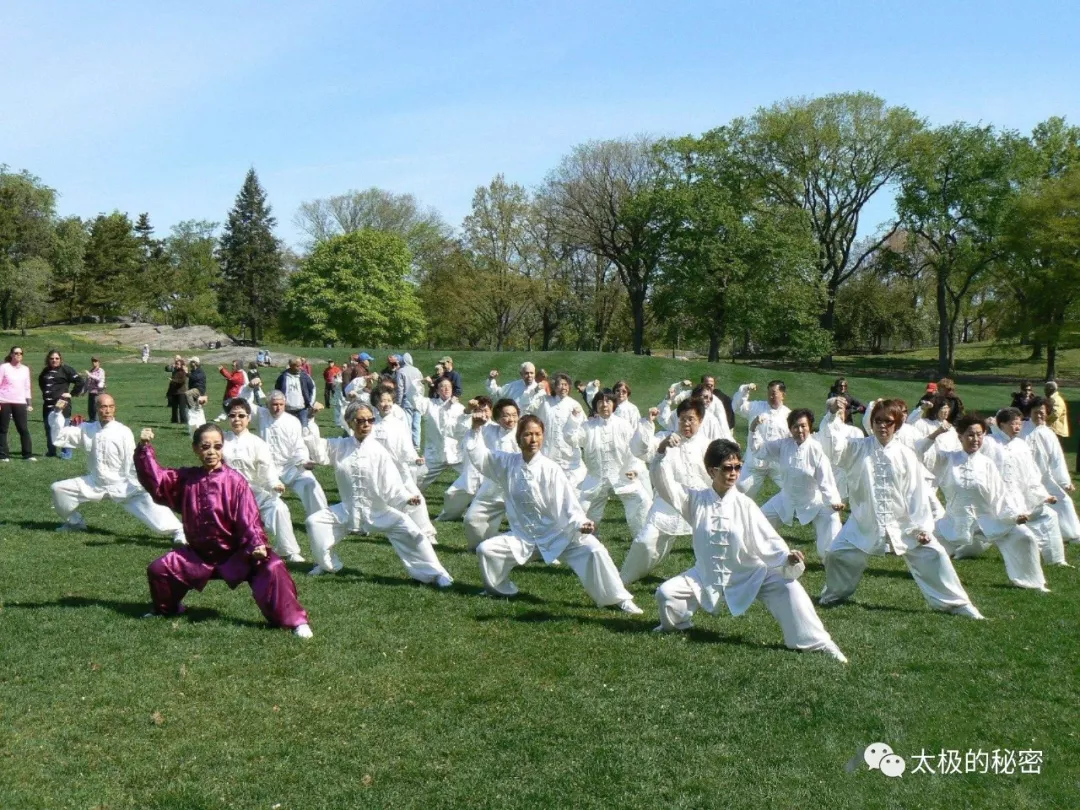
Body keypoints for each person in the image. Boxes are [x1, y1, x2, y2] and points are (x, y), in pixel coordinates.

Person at [651, 438, 847, 663]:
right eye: (727, 467)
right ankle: (677, 625)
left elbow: (767, 538)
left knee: (791, 589)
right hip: (706, 574)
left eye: (738, 467)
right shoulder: (694, 501)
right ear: (711, 470)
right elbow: (665, 486)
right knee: (666, 594)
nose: (734, 473)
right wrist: (661, 452)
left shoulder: (745, 505)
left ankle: (819, 642)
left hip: (751, 574)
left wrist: (786, 556)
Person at [135, 423, 312, 638]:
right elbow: (158, 481)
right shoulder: (186, 479)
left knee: (273, 566)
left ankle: (295, 622)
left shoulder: (235, 481)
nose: (212, 452)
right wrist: (145, 449)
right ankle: (167, 610)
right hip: (198, 556)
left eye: (217, 446)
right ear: (195, 449)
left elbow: (249, 518)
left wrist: (256, 544)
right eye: (205, 446)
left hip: (236, 555)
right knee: (159, 569)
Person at [818, 399, 983, 618]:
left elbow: (917, 492)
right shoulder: (857, 448)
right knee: (836, 555)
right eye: (878, 421)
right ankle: (834, 594)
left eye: (888, 421)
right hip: (863, 521)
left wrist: (922, 527)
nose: (882, 426)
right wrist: (831, 416)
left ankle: (957, 603)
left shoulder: (905, 454)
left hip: (904, 523)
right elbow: (833, 449)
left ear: (897, 425)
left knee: (936, 555)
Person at [464, 413, 642, 614]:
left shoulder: (550, 469)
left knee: (595, 551)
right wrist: (475, 429)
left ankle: (619, 598)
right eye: (528, 435)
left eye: (538, 434)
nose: (533, 440)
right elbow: (481, 457)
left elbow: (567, 503)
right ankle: (500, 590)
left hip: (559, 535)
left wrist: (580, 523)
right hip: (523, 537)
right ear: (519, 438)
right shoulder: (506, 463)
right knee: (486, 550)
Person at [302, 402, 453, 586]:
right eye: (360, 420)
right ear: (350, 423)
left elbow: (390, 485)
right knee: (315, 522)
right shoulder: (340, 446)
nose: (366, 424)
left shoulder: (379, 452)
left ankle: (437, 574)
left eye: (370, 420)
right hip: (348, 510)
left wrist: (406, 498)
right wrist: (310, 420)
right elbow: (317, 450)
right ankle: (327, 564)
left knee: (413, 533)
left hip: (378, 512)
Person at [917, 415, 1047, 590]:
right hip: (955, 520)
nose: (975, 439)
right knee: (925, 545)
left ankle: (1031, 581)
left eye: (979, 434)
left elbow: (1000, 495)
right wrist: (937, 432)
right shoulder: (947, 459)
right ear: (960, 436)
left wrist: (1014, 515)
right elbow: (920, 453)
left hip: (989, 520)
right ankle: (927, 575)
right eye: (970, 435)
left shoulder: (987, 464)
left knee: (1024, 537)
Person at [49, 393, 185, 543]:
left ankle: (180, 531)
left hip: (123, 484)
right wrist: (56, 413)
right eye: (103, 407)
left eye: (111, 407)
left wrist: (140, 483)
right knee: (59, 489)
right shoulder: (86, 429)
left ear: (114, 409)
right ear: (96, 408)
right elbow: (59, 437)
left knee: (154, 511)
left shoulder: (123, 432)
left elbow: (132, 460)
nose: (107, 410)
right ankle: (75, 523)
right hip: (95, 483)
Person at [620, 398, 712, 585]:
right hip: (666, 503)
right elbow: (640, 450)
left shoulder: (706, 445)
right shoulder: (666, 437)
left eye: (691, 419)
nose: (686, 424)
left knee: (711, 546)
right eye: (683, 419)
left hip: (698, 503)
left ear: (700, 421)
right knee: (645, 542)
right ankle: (625, 579)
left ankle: (710, 583)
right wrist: (648, 423)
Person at [752, 409, 843, 560]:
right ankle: (757, 554)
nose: (799, 430)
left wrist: (833, 501)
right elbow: (759, 450)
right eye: (795, 427)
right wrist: (753, 428)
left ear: (810, 427)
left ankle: (830, 559)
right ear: (790, 429)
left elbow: (825, 479)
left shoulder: (816, 449)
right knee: (758, 519)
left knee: (832, 519)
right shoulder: (783, 445)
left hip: (813, 501)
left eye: (803, 426)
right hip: (785, 498)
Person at [221, 398, 304, 562]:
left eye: (241, 415)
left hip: (254, 492)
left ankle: (289, 550)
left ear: (249, 418)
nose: (237, 419)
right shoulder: (221, 440)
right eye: (232, 416)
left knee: (279, 508)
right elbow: (200, 434)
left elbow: (268, 468)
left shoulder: (258, 443)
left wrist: (274, 483)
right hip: (226, 495)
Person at [985, 407, 1067, 567]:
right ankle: (961, 549)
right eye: (1013, 424)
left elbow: (1031, 474)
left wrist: (1044, 495)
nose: (1017, 428)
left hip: (1020, 496)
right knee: (977, 533)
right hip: (996, 500)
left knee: (1049, 516)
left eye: (1019, 424)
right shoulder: (990, 443)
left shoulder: (1021, 445)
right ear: (1001, 424)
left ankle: (1056, 560)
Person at [565, 389, 652, 539]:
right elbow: (571, 439)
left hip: (621, 477)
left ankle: (642, 540)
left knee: (641, 500)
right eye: (600, 402)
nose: (604, 405)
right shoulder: (588, 427)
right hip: (596, 479)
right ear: (595, 406)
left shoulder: (623, 425)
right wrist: (573, 418)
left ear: (614, 404)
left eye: (608, 401)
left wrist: (634, 469)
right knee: (583, 509)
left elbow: (634, 450)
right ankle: (585, 543)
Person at [370, 388, 437, 541]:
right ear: (376, 403)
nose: (386, 404)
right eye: (382, 401)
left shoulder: (397, 424)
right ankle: (363, 526)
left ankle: (427, 533)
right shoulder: (372, 424)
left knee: (416, 497)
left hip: (399, 469)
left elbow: (406, 445)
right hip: (379, 470)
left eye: (389, 400)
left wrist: (414, 458)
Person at [251, 391, 329, 518]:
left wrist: (304, 461)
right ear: (267, 404)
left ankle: (321, 519)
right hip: (267, 466)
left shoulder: (292, 421)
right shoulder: (260, 414)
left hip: (290, 466)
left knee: (310, 484)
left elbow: (299, 446)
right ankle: (255, 522)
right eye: (274, 404)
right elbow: (242, 403)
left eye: (281, 404)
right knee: (259, 493)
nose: (278, 408)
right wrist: (249, 387)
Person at [463, 398, 521, 550]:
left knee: (530, 523)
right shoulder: (489, 430)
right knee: (472, 519)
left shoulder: (523, 432)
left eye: (514, 415)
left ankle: (541, 551)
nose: (511, 419)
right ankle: (481, 546)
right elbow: (465, 430)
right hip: (492, 486)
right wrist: (474, 422)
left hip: (518, 487)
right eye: (506, 416)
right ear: (497, 418)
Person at [1026, 397, 1080, 542]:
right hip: (1025, 479)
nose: (1038, 416)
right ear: (1030, 412)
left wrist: (1064, 482)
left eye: (1041, 413)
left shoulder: (1049, 434)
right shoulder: (1021, 428)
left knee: (1064, 501)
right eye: (1035, 412)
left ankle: (1071, 533)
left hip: (1044, 476)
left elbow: (1057, 460)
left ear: (1047, 413)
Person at [437, 396, 494, 522]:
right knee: (452, 494)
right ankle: (448, 515)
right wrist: (468, 411)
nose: (483, 414)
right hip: (470, 469)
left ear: (491, 411)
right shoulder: (468, 425)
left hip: (489, 472)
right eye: (479, 410)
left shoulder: (495, 428)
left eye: (486, 410)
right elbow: (455, 431)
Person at [733, 381, 791, 497]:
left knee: (793, 489)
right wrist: (745, 389)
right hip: (755, 463)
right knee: (739, 490)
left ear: (783, 395)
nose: (770, 396)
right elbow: (738, 408)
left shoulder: (788, 415)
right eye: (769, 393)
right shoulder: (757, 407)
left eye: (774, 393)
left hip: (778, 464)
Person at [411, 376, 465, 492]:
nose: (446, 389)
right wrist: (421, 382)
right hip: (434, 454)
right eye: (442, 386)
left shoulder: (460, 408)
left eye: (448, 386)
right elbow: (414, 397)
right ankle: (409, 504)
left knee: (475, 477)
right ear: (437, 390)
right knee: (416, 482)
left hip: (457, 454)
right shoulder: (429, 404)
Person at [537, 372, 586, 485]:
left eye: (566, 384)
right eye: (560, 384)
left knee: (572, 486)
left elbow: (584, 428)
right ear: (554, 386)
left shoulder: (574, 404)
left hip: (568, 453)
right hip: (549, 450)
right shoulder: (545, 402)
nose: (563, 387)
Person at [38, 349, 83, 460]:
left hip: (62, 404)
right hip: (48, 405)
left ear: (60, 359)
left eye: (57, 358)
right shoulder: (45, 371)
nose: (54, 360)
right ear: (48, 359)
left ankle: (66, 453)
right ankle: (51, 451)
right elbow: (41, 382)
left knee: (63, 429)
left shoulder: (66, 370)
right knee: (49, 429)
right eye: (52, 358)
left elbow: (80, 381)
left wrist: (72, 394)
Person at [0, 346, 36, 462]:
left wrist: (29, 402)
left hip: (20, 402)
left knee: (23, 428)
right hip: (4, 401)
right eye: (16, 353)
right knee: (2, 429)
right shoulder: (4, 367)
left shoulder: (25, 369)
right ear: (11, 354)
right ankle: (3, 455)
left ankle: (27, 454)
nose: (18, 355)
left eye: (21, 353)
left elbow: (27, 387)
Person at [274, 358, 316, 428]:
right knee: (288, 429)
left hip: (302, 409)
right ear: (291, 366)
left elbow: (313, 388)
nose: (300, 368)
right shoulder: (283, 377)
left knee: (304, 429)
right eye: (297, 366)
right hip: (287, 410)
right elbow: (277, 391)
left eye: (300, 365)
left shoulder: (305, 376)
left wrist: (310, 403)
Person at [394, 352, 424, 449]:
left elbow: (400, 388)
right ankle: (416, 445)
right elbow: (421, 386)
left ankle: (408, 445)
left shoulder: (401, 371)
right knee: (417, 424)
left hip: (407, 400)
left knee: (407, 423)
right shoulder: (417, 371)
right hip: (418, 400)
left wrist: (398, 403)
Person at [1045, 381, 1069, 448]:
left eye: (1046, 389)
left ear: (1051, 389)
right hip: (1053, 430)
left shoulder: (1057, 400)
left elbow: (1055, 415)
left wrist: (1044, 420)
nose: (1044, 390)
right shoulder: (1051, 399)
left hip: (1056, 431)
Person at [166, 356, 188, 424]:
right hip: (174, 392)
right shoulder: (175, 371)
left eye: (178, 364)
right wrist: (169, 392)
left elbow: (182, 381)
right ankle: (174, 420)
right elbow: (166, 368)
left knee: (182, 408)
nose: (176, 365)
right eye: (176, 364)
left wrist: (173, 380)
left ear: (181, 365)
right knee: (174, 408)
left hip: (181, 392)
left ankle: (183, 421)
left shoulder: (183, 372)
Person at [85, 357, 106, 423]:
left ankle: (97, 421)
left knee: (97, 407)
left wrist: (90, 375)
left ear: (99, 362)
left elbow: (99, 379)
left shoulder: (101, 371)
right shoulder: (91, 371)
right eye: (93, 361)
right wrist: (84, 390)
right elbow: (87, 382)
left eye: (96, 361)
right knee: (91, 408)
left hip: (98, 392)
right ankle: (92, 420)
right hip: (91, 392)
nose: (94, 363)